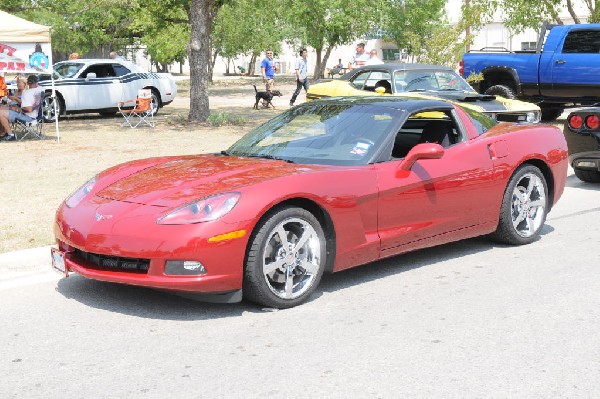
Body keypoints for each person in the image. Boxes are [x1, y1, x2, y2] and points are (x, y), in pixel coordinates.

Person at [0, 75, 44, 141]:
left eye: (19, 82)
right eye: (17, 82)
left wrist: (16, 109)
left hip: (28, 118)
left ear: (27, 83)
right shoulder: (40, 90)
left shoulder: (27, 93)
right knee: (2, 109)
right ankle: (3, 132)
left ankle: (10, 134)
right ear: (37, 83)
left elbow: (29, 109)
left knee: (1, 113)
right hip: (35, 116)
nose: (18, 84)